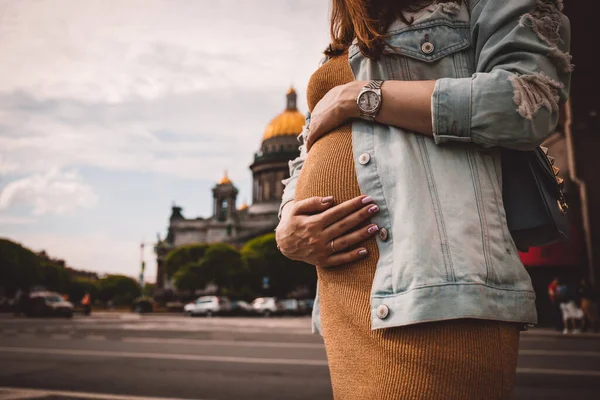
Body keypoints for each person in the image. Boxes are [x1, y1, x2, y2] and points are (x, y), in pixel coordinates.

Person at [275, 0, 571, 398]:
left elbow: (527, 102)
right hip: (345, 294)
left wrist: (362, 97)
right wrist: (288, 221)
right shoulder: (354, 24)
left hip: (437, 292)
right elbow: (308, 145)